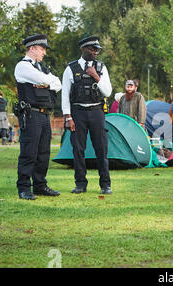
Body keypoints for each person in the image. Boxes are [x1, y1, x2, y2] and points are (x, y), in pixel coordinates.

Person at [61, 36, 113, 195]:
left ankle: (105, 184)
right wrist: (68, 117)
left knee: (101, 149)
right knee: (78, 149)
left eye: (97, 49)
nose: (96, 52)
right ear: (84, 49)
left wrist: (95, 76)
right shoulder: (71, 68)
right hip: (77, 113)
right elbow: (65, 94)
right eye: (93, 49)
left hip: (97, 111)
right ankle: (80, 184)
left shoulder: (101, 67)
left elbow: (108, 92)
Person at [14, 34, 62, 200]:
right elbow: (45, 80)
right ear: (32, 48)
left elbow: (58, 83)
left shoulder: (40, 67)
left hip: (43, 114)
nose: (44, 53)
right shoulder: (23, 66)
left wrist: (46, 82)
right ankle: (24, 187)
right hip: (31, 113)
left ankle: (40, 185)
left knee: (43, 153)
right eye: (42, 49)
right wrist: (47, 82)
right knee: (29, 152)